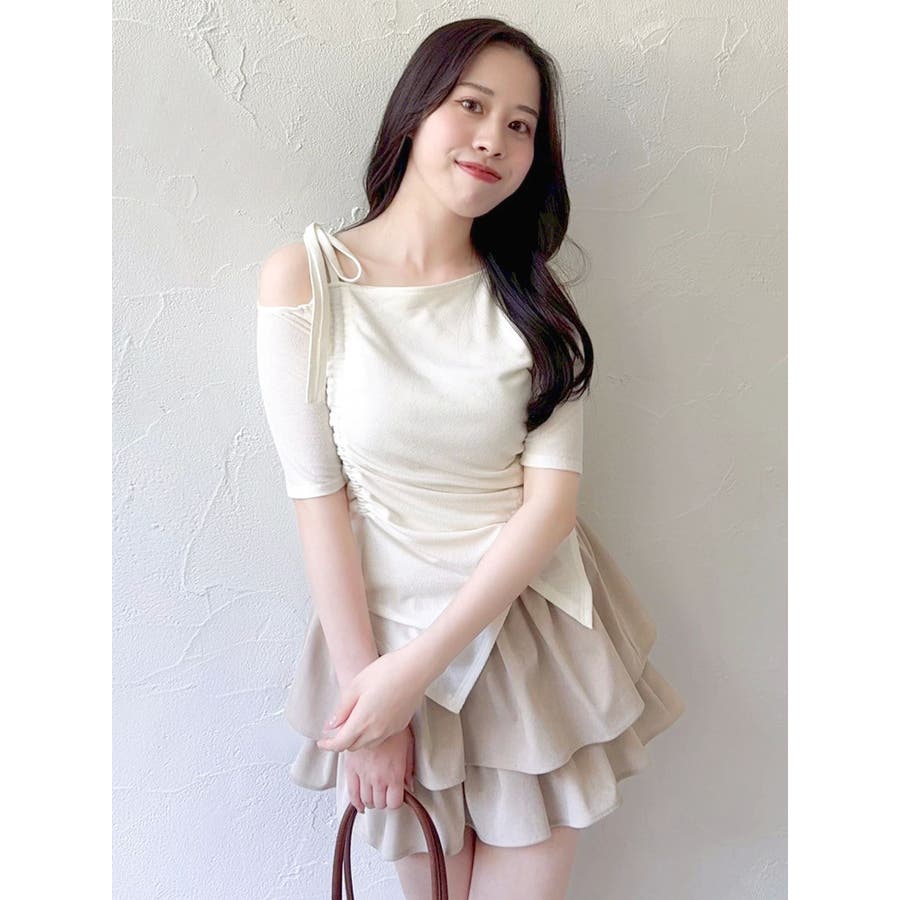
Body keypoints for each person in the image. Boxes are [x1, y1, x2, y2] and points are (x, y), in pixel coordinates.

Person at [255, 17, 686, 900]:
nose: (494, 139)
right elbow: (317, 497)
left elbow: (550, 508)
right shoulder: (308, 279)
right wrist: (375, 698)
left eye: (521, 125)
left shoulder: (536, 304)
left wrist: (409, 676)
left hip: (528, 634)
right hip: (380, 633)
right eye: (472, 105)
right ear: (416, 111)